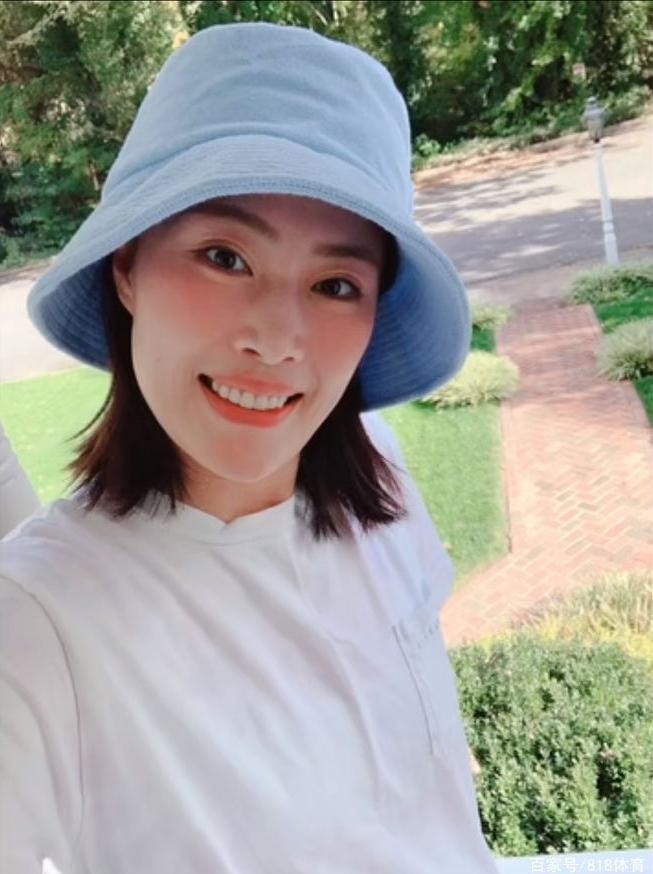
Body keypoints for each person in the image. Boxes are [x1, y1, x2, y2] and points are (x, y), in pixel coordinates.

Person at [0, 22, 499, 874]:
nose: (275, 338)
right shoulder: (39, 621)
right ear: (127, 267)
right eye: (224, 257)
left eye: (335, 283)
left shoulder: (380, 476)